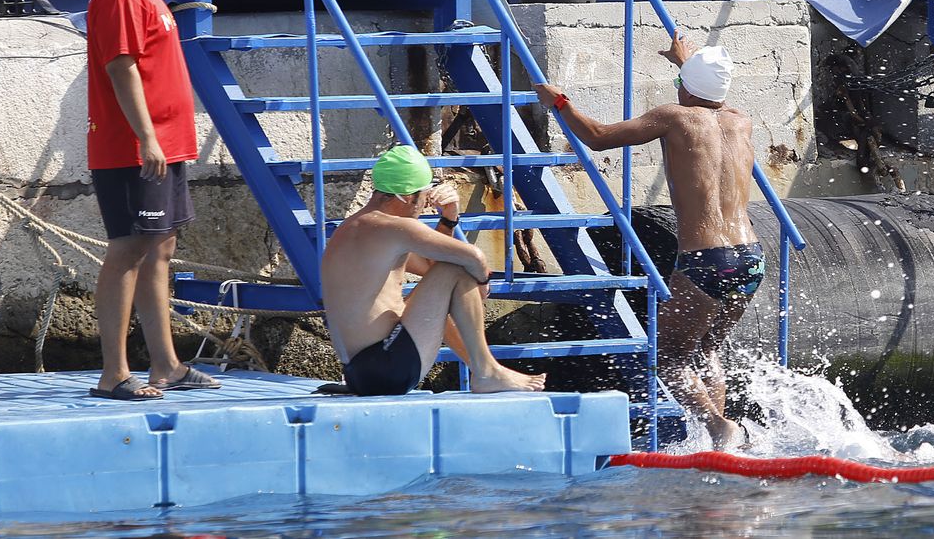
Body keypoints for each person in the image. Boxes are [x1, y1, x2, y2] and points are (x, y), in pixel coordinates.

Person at [534, 36, 763, 449]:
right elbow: (707, 93)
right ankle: (723, 435)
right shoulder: (740, 119)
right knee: (706, 349)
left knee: (669, 356)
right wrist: (688, 63)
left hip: (707, 259)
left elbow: (600, 136)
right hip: (750, 257)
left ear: (688, 87)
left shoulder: (674, 117)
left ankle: (717, 428)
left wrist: (560, 102)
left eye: (681, 80)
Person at [86, 0, 220, 401]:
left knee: (160, 246)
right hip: (133, 149)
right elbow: (120, 67)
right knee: (129, 247)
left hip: (160, 144)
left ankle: (165, 364)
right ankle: (114, 372)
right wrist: (146, 137)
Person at [320, 146, 547, 396]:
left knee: (436, 286)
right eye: (424, 198)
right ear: (405, 197)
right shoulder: (394, 227)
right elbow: (472, 257)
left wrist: (448, 219)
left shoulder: (353, 228)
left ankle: (481, 368)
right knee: (457, 269)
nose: (424, 207)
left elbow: (430, 268)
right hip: (388, 368)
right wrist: (482, 282)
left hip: (360, 374)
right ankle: (487, 372)